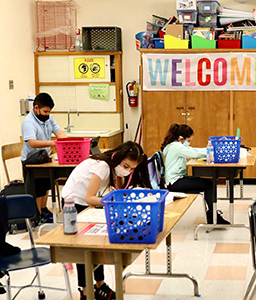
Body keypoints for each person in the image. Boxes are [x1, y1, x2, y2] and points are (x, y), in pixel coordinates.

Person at [61, 141, 151, 300]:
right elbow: (90, 198)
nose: (127, 171)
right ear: (118, 157)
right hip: (73, 201)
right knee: (84, 246)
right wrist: (114, 201)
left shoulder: (116, 167)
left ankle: (100, 284)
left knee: (97, 242)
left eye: (132, 169)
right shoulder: (102, 165)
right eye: (126, 166)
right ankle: (85, 290)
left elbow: (120, 190)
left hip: (88, 201)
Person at [161, 124, 229, 224]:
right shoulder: (176, 147)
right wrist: (212, 151)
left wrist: (211, 150)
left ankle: (212, 214)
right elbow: (194, 153)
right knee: (209, 184)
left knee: (208, 183)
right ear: (181, 138)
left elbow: (193, 150)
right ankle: (213, 216)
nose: (189, 143)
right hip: (175, 183)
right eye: (188, 141)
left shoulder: (175, 145)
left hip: (177, 180)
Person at [21, 92, 67, 223]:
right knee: (37, 189)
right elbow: (32, 142)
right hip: (31, 161)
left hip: (44, 158)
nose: (47, 114)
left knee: (46, 185)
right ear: (36, 108)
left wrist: (68, 143)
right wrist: (53, 143)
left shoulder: (49, 118)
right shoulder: (28, 122)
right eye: (45, 111)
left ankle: (44, 209)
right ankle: (37, 215)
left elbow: (59, 133)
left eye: (49, 112)